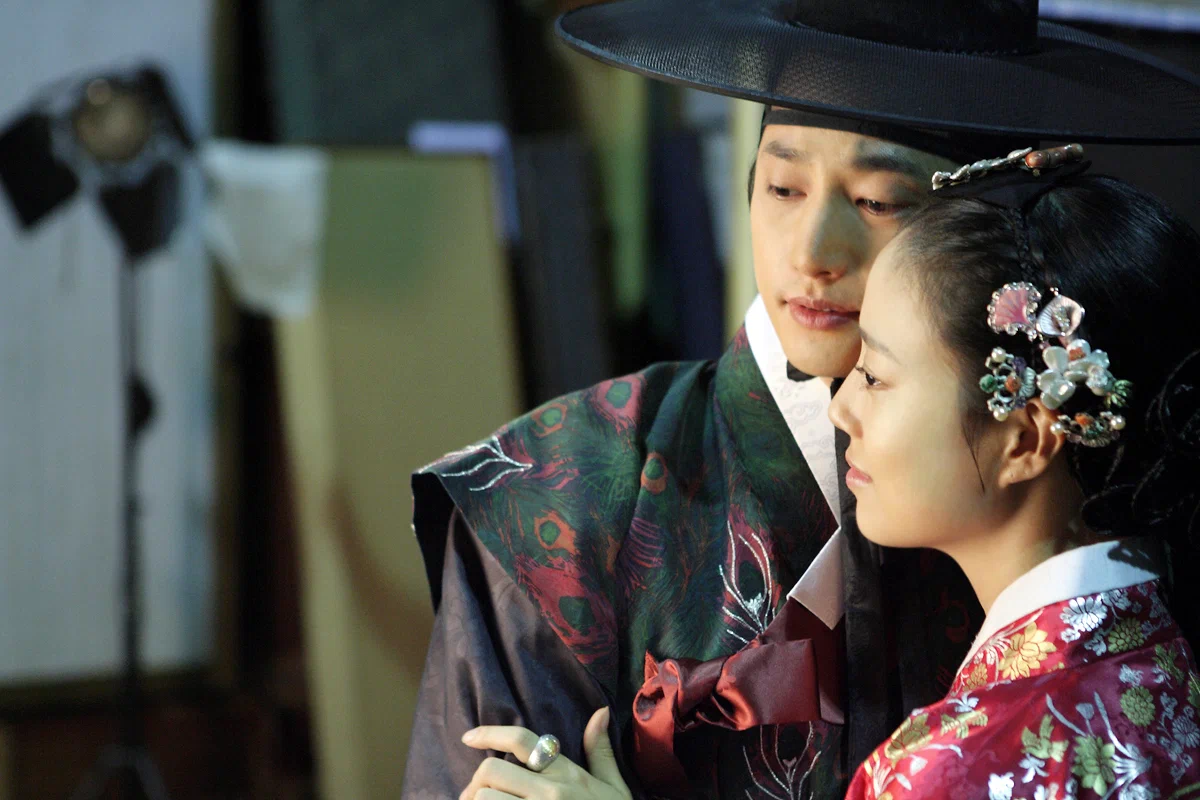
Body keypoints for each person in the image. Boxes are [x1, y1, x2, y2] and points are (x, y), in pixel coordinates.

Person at [402, 1, 1200, 797]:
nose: (813, 253)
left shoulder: (1093, 526)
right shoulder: (557, 498)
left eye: (879, 201)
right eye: (782, 187)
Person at [827, 147, 1200, 798]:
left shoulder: (949, 770)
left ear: (1024, 439)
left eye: (876, 376)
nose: (840, 408)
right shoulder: (1172, 670)